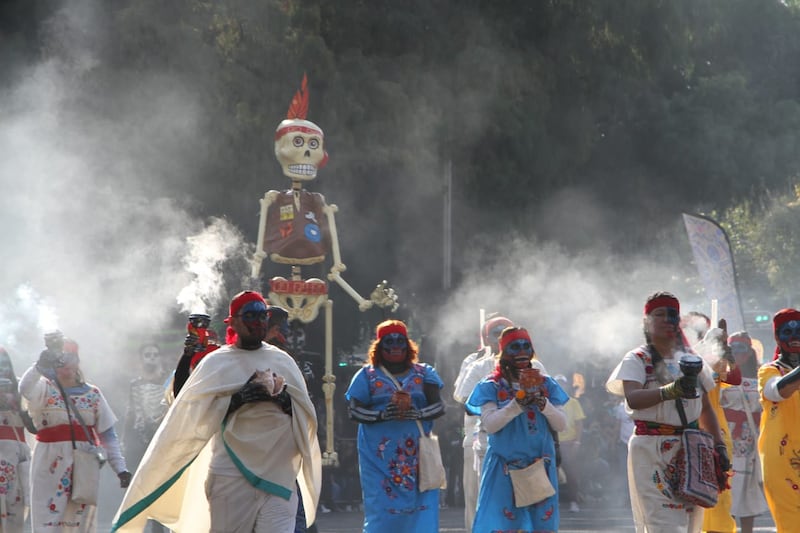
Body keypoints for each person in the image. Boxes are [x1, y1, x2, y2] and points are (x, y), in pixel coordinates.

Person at [112, 290, 321, 533]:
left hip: (279, 475)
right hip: (231, 476)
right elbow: (188, 407)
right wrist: (237, 399)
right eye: (251, 316)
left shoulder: (283, 360)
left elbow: (306, 414)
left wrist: (284, 399)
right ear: (233, 321)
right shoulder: (217, 363)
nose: (259, 322)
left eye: (263, 316)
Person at [606, 291, 730, 533]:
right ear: (646, 322)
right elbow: (633, 397)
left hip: (690, 449)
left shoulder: (691, 359)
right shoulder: (637, 358)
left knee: (690, 525)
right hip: (651, 449)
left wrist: (720, 446)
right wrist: (670, 390)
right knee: (663, 525)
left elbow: (705, 408)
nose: (666, 319)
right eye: (659, 314)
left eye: (671, 314)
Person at [19, 333, 131, 533]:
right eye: (62, 357)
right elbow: (25, 388)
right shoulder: (43, 388)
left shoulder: (93, 394)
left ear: (78, 360)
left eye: (72, 357)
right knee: (47, 524)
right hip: (48, 464)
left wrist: (120, 469)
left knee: (77, 524)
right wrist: (39, 365)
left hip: (82, 466)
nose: (67, 362)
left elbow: (108, 435)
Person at [345, 319, 445, 533]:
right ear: (379, 346)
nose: (395, 345)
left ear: (408, 345)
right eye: (389, 341)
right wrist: (381, 415)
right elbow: (354, 411)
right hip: (379, 461)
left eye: (400, 340)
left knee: (420, 514)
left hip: (419, 459)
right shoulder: (366, 376)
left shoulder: (424, 373)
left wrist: (418, 412)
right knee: (383, 513)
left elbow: (439, 406)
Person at [465, 326, 568, 533]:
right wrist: (517, 404)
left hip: (540, 466)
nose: (521, 351)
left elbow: (562, 424)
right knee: (505, 526)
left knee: (541, 526)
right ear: (503, 352)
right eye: (515, 346)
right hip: (504, 468)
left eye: (526, 346)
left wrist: (543, 404)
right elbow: (491, 424)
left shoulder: (546, 384)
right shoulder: (491, 385)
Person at [452, 314, 512, 531]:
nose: (503, 338)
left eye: (507, 332)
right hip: (479, 441)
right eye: (497, 333)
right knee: (477, 499)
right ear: (487, 338)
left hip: (516, 442)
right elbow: (463, 397)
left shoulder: (529, 361)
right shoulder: (474, 362)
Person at [719, 331, 769, 533]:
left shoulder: (761, 376)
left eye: (743, 348)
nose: (738, 353)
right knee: (726, 487)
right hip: (727, 438)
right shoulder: (720, 376)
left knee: (748, 490)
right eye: (734, 348)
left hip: (751, 442)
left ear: (750, 352)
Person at [757, 308, 800, 532]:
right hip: (782, 462)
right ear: (776, 337)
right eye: (787, 331)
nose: (795, 337)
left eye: (799, 331)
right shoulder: (769, 371)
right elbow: (776, 392)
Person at [693, 325, 739, 533]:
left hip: (717, 434)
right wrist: (703, 349)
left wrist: (725, 350)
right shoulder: (683, 357)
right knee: (690, 494)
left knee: (720, 493)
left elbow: (734, 377)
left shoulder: (718, 358)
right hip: (688, 434)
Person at [121, 343, 169, 533]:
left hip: (163, 443)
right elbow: (130, 413)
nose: (151, 358)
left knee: (162, 488)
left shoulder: (168, 381)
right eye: (147, 355)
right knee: (142, 489)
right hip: (140, 444)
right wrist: (124, 440)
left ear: (160, 358)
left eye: (154, 355)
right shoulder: (135, 384)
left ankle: (160, 526)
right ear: (141, 359)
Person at [0, 347, 33, 533]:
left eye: (4, 362)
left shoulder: (20, 388)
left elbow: (33, 426)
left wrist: (17, 406)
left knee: (15, 507)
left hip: (16, 457)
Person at [553, 373, 585, 513]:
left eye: (562, 383)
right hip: (553, 443)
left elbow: (579, 423)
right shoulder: (549, 403)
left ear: (566, 385)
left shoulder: (573, 402)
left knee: (571, 474)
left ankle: (573, 501)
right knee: (551, 474)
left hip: (568, 443)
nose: (561, 385)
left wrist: (577, 442)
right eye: (558, 383)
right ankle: (553, 502)